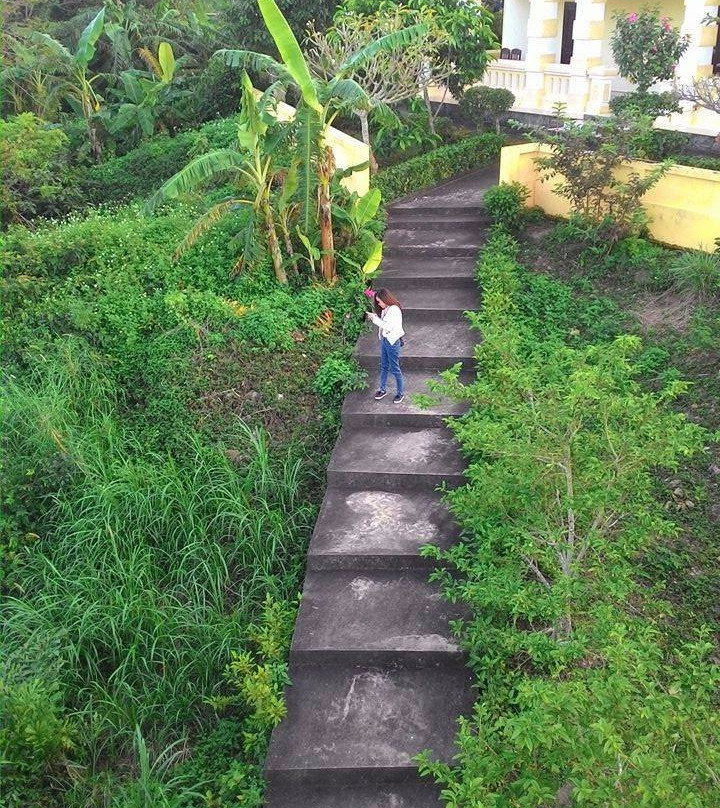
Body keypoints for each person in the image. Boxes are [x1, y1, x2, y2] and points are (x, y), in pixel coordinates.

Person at [366, 288, 405, 403]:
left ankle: (400, 393)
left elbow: (388, 326)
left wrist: (374, 319)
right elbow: (383, 324)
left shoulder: (394, 309)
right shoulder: (386, 308)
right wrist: (375, 317)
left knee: (394, 368)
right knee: (383, 365)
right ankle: (382, 389)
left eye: (379, 301)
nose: (378, 303)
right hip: (385, 339)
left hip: (392, 342)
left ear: (385, 299)